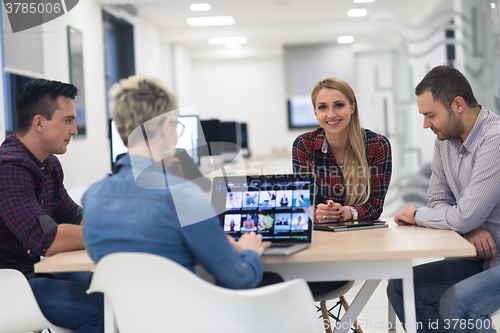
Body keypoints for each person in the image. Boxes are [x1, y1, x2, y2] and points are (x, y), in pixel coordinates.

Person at [82, 76, 275, 289]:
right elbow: (238, 279)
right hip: (188, 319)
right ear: (166, 127)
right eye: (176, 125)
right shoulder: (184, 196)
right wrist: (250, 251)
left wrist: (214, 240)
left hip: (125, 320)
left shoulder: (92, 198)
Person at [387, 65, 500, 333]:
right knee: (402, 288)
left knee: (457, 302)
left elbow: (461, 215)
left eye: (430, 115)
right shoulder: (444, 141)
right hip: (475, 256)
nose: (426, 124)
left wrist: (418, 215)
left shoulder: (494, 140)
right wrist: (468, 226)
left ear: (458, 104)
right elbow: (439, 200)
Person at [0, 79, 104, 332]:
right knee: (100, 310)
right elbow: (47, 239)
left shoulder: (49, 165)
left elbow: (75, 217)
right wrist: (107, 233)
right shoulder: (9, 168)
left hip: (33, 271)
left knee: (111, 285)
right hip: (10, 283)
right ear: (38, 123)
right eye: (68, 120)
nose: (75, 130)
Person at [292, 77, 392, 297]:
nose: (331, 114)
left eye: (339, 105)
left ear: (352, 107)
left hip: (359, 248)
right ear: (315, 112)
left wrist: (349, 212)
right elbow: (302, 207)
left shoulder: (377, 145)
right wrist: (319, 212)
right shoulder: (304, 145)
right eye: (323, 107)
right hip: (316, 250)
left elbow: (375, 206)